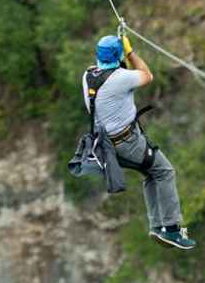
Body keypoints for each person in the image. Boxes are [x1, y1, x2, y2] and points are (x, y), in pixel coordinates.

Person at [81, 31, 194, 249]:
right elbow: (147, 75)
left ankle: (157, 226)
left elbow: (110, 70)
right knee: (165, 171)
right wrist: (130, 52)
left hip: (105, 147)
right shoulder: (122, 78)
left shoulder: (88, 76)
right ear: (118, 56)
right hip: (128, 143)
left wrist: (118, 46)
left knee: (151, 174)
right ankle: (171, 229)